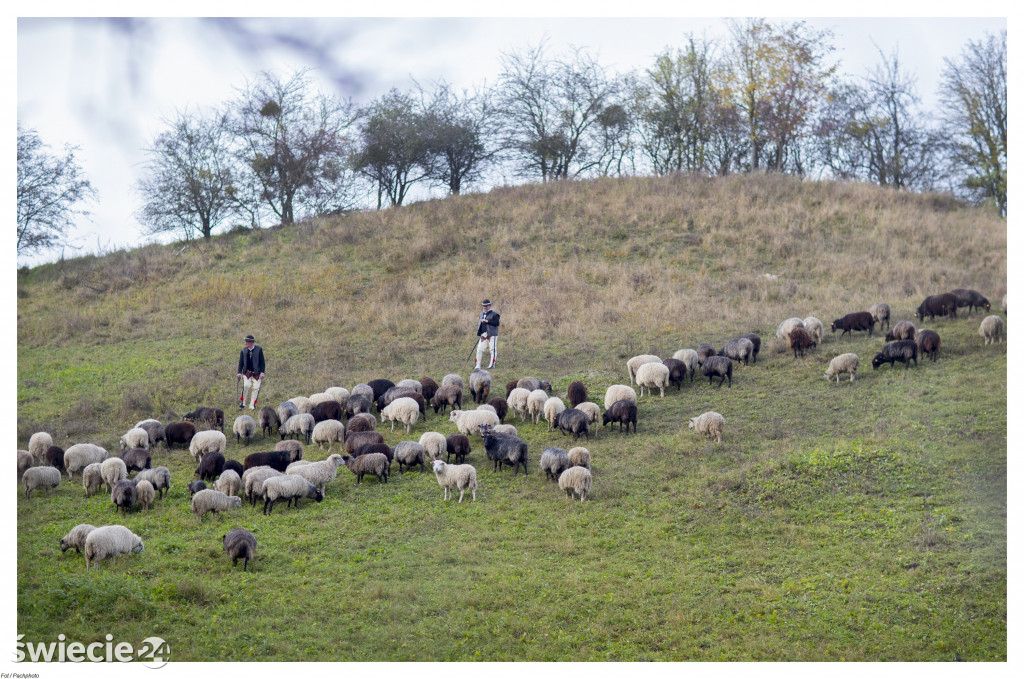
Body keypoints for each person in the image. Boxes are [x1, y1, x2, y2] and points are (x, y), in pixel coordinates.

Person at [237, 334, 266, 410]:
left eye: (246, 342)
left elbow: (262, 362)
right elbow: (241, 362)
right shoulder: (243, 350)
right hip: (247, 373)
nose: (245, 343)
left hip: (257, 373)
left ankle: (252, 405)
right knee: (246, 386)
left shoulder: (259, 349)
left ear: (251, 343)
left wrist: (262, 372)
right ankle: (243, 404)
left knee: (256, 388)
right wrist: (239, 372)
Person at [475, 299, 500, 369]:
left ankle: (492, 364)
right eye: (483, 306)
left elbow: (497, 323)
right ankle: (477, 364)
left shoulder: (495, 314)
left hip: (492, 334)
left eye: (486, 306)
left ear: (490, 306)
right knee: (479, 349)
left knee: (492, 349)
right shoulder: (481, 314)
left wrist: (487, 321)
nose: (485, 307)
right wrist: (480, 332)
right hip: (483, 334)